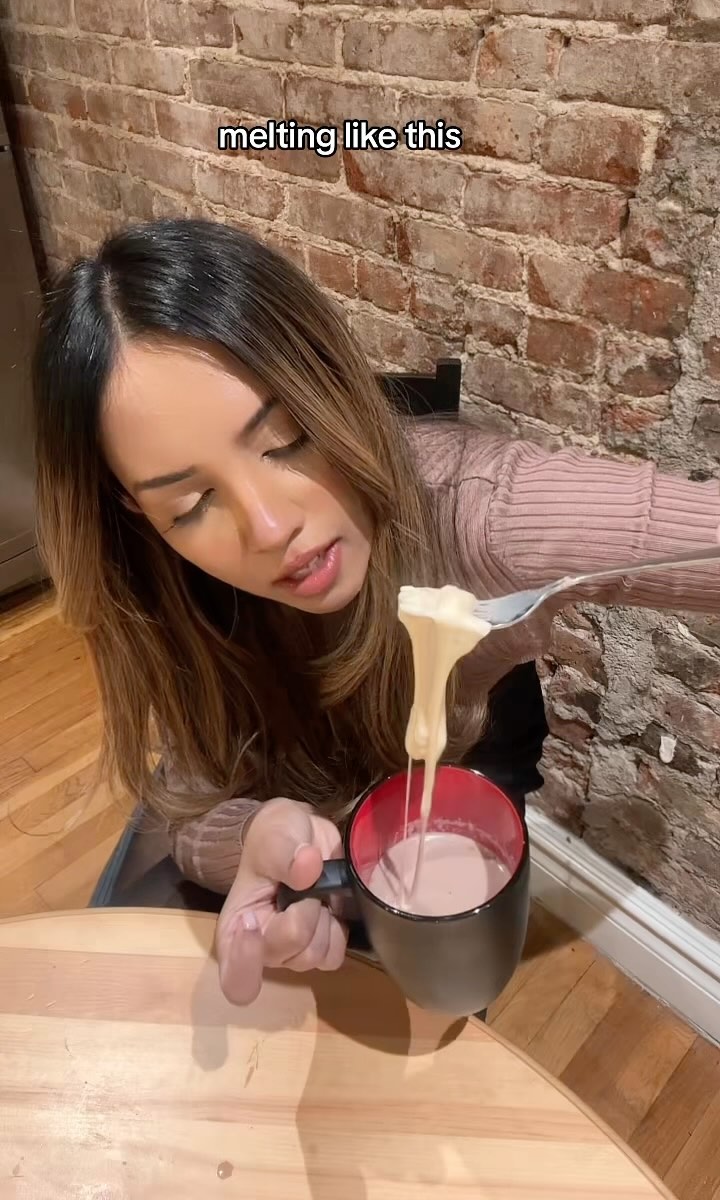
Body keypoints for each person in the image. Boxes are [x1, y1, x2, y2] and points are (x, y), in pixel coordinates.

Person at [31, 217, 720, 1007]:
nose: (269, 528)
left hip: (467, 749)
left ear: (335, 382)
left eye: (287, 439)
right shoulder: (164, 590)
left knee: (446, 991)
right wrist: (254, 837)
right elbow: (191, 802)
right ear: (137, 513)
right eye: (190, 504)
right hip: (310, 791)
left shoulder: (477, 510)